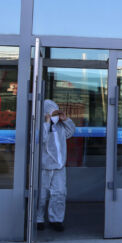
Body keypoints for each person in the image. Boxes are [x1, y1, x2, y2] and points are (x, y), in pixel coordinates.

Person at [36, 99, 75, 232]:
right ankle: (38, 218)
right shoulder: (40, 126)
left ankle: (56, 220)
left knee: (59, 194)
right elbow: (40, 139)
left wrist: (65, 119)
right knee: (41, 195)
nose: (55, 117)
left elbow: (71, 132)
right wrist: (46, 123)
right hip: (44, 167)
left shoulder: (60, 126)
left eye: (56, 113)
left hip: (59, 168)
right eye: (53, 114)